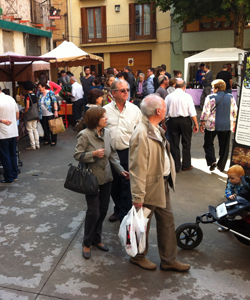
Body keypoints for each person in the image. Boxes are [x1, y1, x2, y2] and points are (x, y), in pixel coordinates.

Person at [129, 94, 190, 272]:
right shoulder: (142, 133)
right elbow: (138, 168)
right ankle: (137, 257)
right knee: (142, 224)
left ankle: (169, 260)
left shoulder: (154, 128)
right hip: (149, 187)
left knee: (167, 222)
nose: (166, 110)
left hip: (161, 184)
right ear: (158, 111)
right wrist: (138, 196)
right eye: (164, 107)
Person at [74, 106, 129, 259]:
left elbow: (113, 155)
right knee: (93, 212)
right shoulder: (84, 135)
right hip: (91, 178)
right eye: (104, 117)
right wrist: (93, 154)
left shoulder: (108, 133)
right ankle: (87, 242)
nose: (107, 119)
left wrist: (120, 170)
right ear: (95, 120)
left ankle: (96, 239)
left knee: (103, 210)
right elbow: (77, 155)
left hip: (107, 177)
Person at [104, 80, 142, 222]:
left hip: (128, 152)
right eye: (122, 90)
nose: (126, 92)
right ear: (113, 93)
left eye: (127, 89)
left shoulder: (135, 110)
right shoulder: (105, 110)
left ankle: (124, 215)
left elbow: (140, 131)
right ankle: (118, 209)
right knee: (114, 184)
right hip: (111, 154)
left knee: (127, 184)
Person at [200, 79, 238, 172]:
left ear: (216, 88)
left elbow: (206, 111)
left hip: (211, 125)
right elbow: (234, 111)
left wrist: (202, 122)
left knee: (208, 144)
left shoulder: (210, 97)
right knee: (224, 146)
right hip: (226, 125)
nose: (212, 89)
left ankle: (212, 161)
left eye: (213, 87)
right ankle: (221, 165)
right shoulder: (231, 97)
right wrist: (234, 122)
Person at [165, 78, 199, 172]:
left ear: (175, 86)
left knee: (174, 143)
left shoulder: (169, 96)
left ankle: (176, 166)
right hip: (185, 121)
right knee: (186, 143)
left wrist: (164, 123)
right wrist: (196, 124)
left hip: (173, 121)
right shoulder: (187, 96)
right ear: (184, 87)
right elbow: (192, 112)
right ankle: (186, 164)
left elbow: (165, 111)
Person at [37, 81, 59, 146]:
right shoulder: (40, 95)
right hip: (42, 114)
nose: (39, 89)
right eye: (38, 87)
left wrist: (55, 111)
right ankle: (47, 139)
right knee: (45, 127)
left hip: (50, 113)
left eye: (40, 87)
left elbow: (54, 102)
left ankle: (53, 140)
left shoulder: (50, 93)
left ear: (44, 87)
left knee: (52, 127)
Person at [22, 81, 40, 151]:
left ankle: (33, 145)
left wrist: (23, 112)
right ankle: (37, 144)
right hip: (35, 114)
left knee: (30, 130)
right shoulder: (34, 95)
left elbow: (27, 107)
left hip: (29, 115)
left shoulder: (27, 96)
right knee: (35, 129)